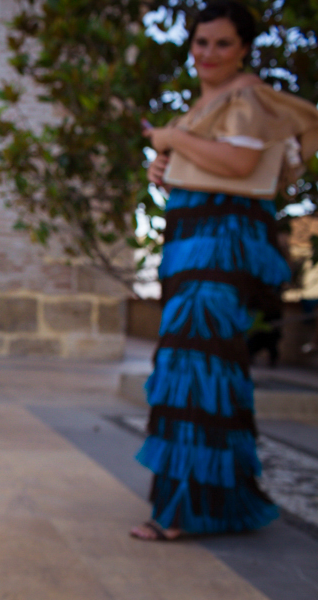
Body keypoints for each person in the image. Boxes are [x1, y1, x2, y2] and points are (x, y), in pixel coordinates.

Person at [131, 0, 318, 541]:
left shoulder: (246, 98)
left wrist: (169, 139)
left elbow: (238, 165)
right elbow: (214, 164)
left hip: (220, 247)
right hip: (194, 243)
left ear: (243, 49)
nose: (208, 54)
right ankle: (211, 504)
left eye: (221, 44)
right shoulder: (208, 103)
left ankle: (190, 510)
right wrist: (164, 166)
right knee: (197, 366)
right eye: (200, 43)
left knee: (201, 367)